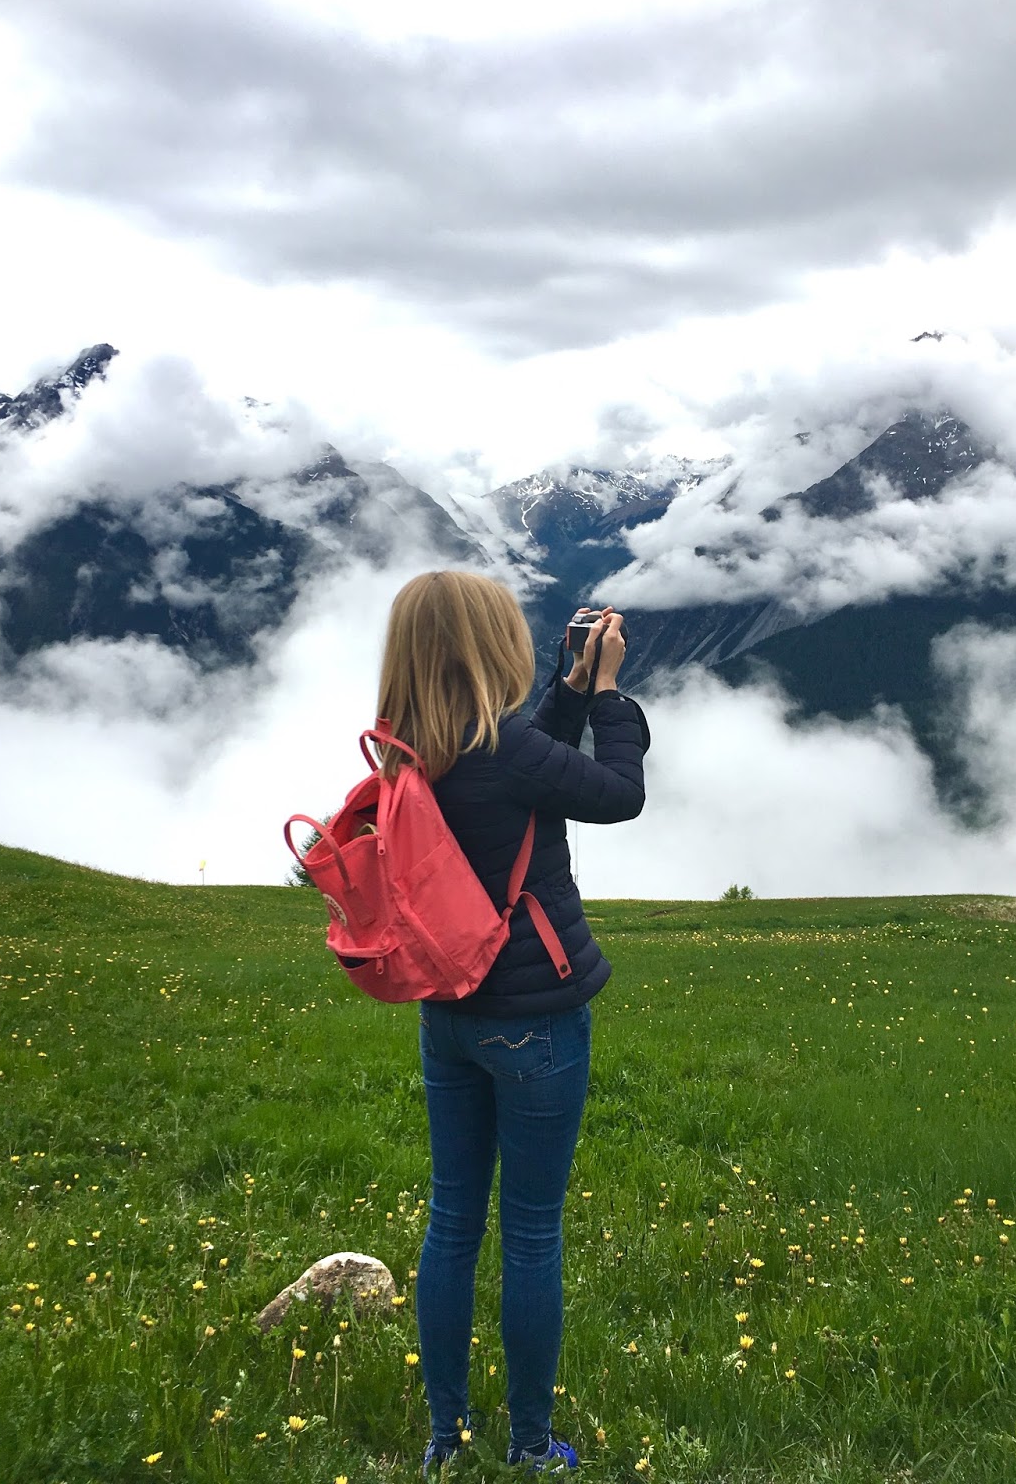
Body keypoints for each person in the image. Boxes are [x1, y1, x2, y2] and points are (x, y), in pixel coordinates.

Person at [374, 571, 649, 1475]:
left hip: (446, 1014)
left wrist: (566, 692)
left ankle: (444, 1441)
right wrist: (609, 691)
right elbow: (616, 792)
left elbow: (532, 761)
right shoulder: (505, 756)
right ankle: (530, 1447)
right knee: (530, 1230)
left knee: (453, 1219)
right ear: (490, 648)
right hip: (534, 1022)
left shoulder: (406, 754)